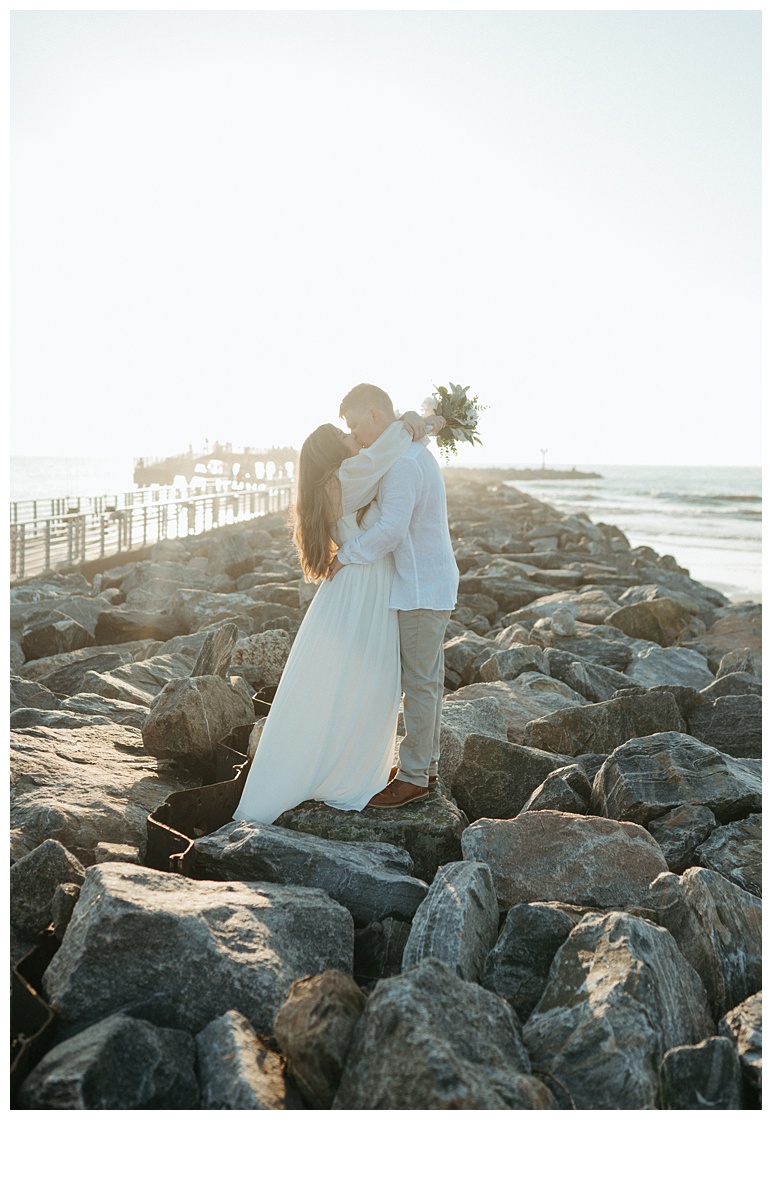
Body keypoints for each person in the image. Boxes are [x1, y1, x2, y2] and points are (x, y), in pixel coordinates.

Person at [232, 401, 443, 825]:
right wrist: (421, 421)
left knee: (350, 680)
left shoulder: (333, 483)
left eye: (353, 431)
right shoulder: (345, 478)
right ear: (333, 451)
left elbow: (380, 460)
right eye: (346, 436)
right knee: (367, 681)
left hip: (359, 586)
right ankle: (350, 766)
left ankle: (360, 760)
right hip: (364, 588)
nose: (355, 440)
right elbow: (386, 452)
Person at [329, 383, 459, 808]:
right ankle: (427, 765)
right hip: (430, 583)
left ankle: (414, 777)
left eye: (354, 426)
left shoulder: (402, 463)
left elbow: (391, 530)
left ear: (373, 414)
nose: (356, 435)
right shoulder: (411, 452)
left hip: (420, 587)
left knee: (419, 685)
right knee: (429, 682)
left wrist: (346, 554)